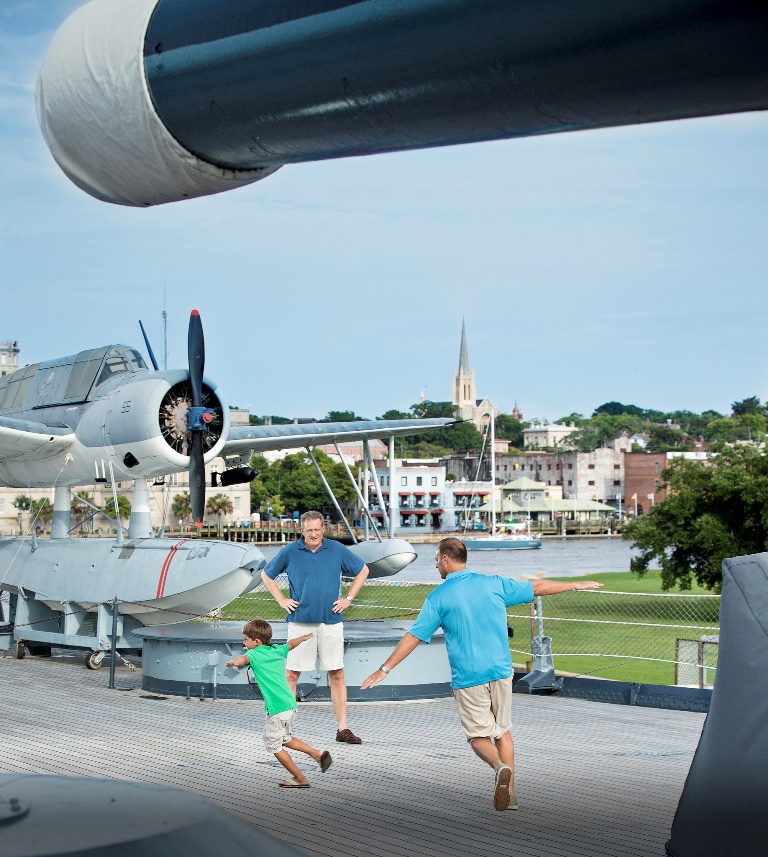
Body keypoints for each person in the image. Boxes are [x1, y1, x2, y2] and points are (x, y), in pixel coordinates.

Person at [361, 537, 604, 811]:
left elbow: (415, 635)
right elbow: (536, 587)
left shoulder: (438, 597)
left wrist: (385, 668)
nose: (436, 566)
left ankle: (499, 768)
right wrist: (574, 584)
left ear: (445, 559)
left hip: (469, 677)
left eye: (436, 560)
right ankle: (510, 796)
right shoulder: (494, 584)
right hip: (501, 671)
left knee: (478, 737)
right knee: (503, 733)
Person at [261, 510, 369, 744]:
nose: (313, 534)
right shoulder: (290, 551)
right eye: (308, 530)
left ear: (323, 529)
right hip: (300, 621)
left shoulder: (337, 549)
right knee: (291, 674)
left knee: (337, 673)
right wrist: (281, 599)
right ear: (302, 530)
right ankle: (284, 728)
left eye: (317, 529)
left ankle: (342, 729)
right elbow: (266, 575)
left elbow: (363, 570)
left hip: (331, 621)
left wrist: (348, 599)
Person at [226, 619, 333, 789]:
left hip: (277, 708)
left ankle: (299, 778)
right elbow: (290, 644)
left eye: (245, 639)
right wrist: (303, 638)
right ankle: (318, 755)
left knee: (273, 745)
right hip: (289, 705)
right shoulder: (276, 650)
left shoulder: (254, 654)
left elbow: (243, 659)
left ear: (256, 641)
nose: (243, 642)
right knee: (285, 739)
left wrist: (234, 662)